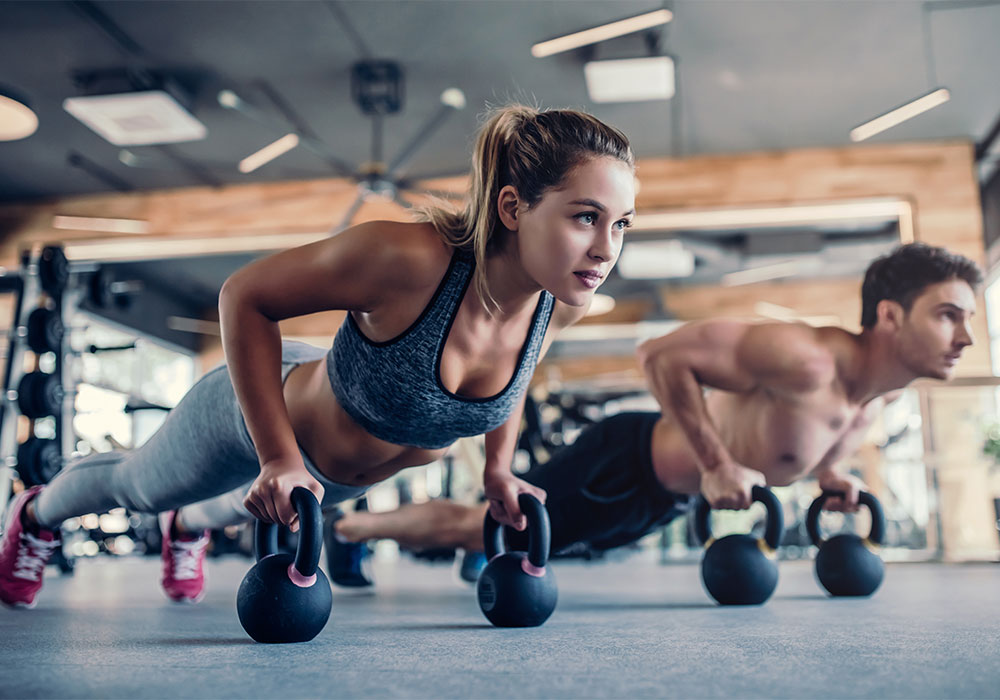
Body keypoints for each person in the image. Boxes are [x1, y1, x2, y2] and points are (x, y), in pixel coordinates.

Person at [0, 104, 637, 608]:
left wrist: (497, 470)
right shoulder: (407, 261)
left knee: (227, 505)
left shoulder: (558, 302)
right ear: (512, 207)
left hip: (323, 481)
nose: (606, 248)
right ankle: (35, 514)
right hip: (261, 413)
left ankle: (188, 529)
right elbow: (245, 296)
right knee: (138, 487)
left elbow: (513, 381)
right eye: (586, 217)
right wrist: (277, 455)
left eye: (622, 224)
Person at [328, 243, 982, 568]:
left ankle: (441, 545)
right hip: (625, 460)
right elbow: (661, 355)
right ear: (891, 317)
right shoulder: (805, 356)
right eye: (949, 316)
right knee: (481, 527)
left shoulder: (878, 398)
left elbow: (795, 443)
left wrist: (832, 476)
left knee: (529, 547)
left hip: (657, 498)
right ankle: (350, 530)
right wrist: (717, 462)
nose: (968, 337)